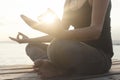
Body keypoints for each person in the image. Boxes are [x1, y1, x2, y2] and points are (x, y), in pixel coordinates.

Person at [9, 0, 113, 78]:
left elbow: (95, 31)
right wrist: (27, 40)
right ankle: (54, 65)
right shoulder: (68, 2)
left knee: (57, 46)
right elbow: (59, 34)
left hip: (99, 57)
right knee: (31, 47)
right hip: (72, 53)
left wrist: (60, 33)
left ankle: (58, 68)